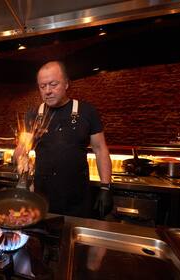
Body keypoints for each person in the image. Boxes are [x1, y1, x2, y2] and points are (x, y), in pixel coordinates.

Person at [15, 61, 113, 218]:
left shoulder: (87, 112)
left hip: (77, 198)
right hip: (42, 198)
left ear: (66, 84)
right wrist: (21, 155)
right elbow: (22, 148)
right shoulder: (34, 115)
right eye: (42, 86)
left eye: (53, 84)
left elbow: (100, 150)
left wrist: (105, 187)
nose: (47, 91)